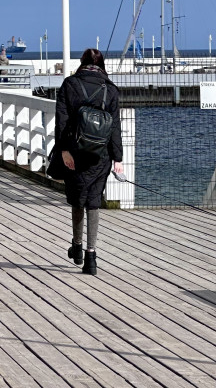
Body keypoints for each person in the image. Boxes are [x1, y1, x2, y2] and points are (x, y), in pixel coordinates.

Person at [53, 48, 123, 276]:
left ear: (82, 63)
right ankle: (91, 256)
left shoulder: (70, 84)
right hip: (100, 155)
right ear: (102, 65)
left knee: (77, 200)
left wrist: (64, 150)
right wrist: (118, 159)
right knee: (93, 202)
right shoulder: (110, 89)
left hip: (74, 151)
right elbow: (114, 127)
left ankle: (77, 246)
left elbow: (61, 121)